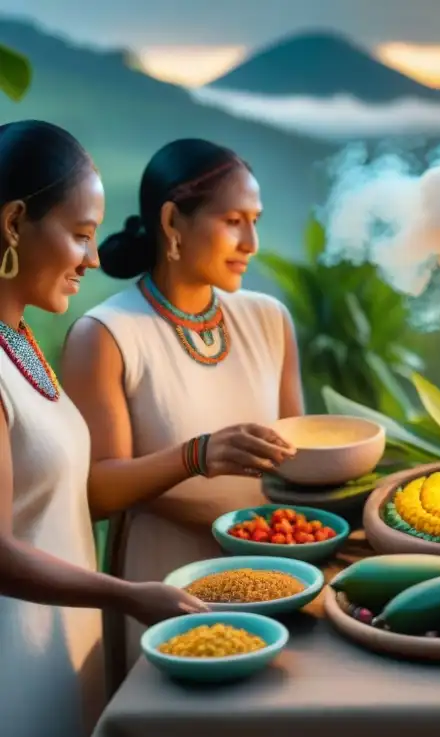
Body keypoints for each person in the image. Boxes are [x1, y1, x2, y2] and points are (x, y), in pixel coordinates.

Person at [0, 120, 207, 737]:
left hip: (60, 652)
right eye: (81, 235)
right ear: (12, 224)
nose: (93, 258)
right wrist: (127, 595)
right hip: (15, 665)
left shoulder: (23, 339)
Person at [60, 138, 304, 671]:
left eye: (256, 220)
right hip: (161, 580)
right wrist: (195, 455)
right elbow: (96, 492)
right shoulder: (106, 334)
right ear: (172, 222)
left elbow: (299, 461)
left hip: (273, 573)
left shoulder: (269, 320)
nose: (252, 243)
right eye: (234, 221)